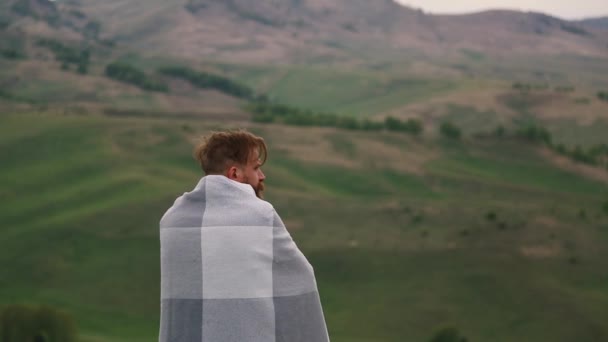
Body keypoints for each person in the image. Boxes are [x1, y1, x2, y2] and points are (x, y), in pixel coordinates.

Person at [159, 129, 330, 342]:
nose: (262, 176)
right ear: (235, 174)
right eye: (256, 168)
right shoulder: (260, 215)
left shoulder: (172, 220)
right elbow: (298, 277)